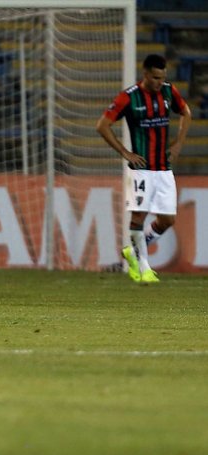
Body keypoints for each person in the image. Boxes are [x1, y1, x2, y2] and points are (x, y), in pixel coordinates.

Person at [97, 54, 191, 284]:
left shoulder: (169, 91)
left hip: (164, 169)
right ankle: (144, 267)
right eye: (156, 78)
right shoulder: (128, 97)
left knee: (167, 220)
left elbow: (186, 113)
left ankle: (131, 251)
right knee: (138, 216)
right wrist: (125, 153)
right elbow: (102, 125)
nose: (160, 82)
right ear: (146, 74)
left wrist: (178, 143)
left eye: (163, 77)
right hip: (141, 169)